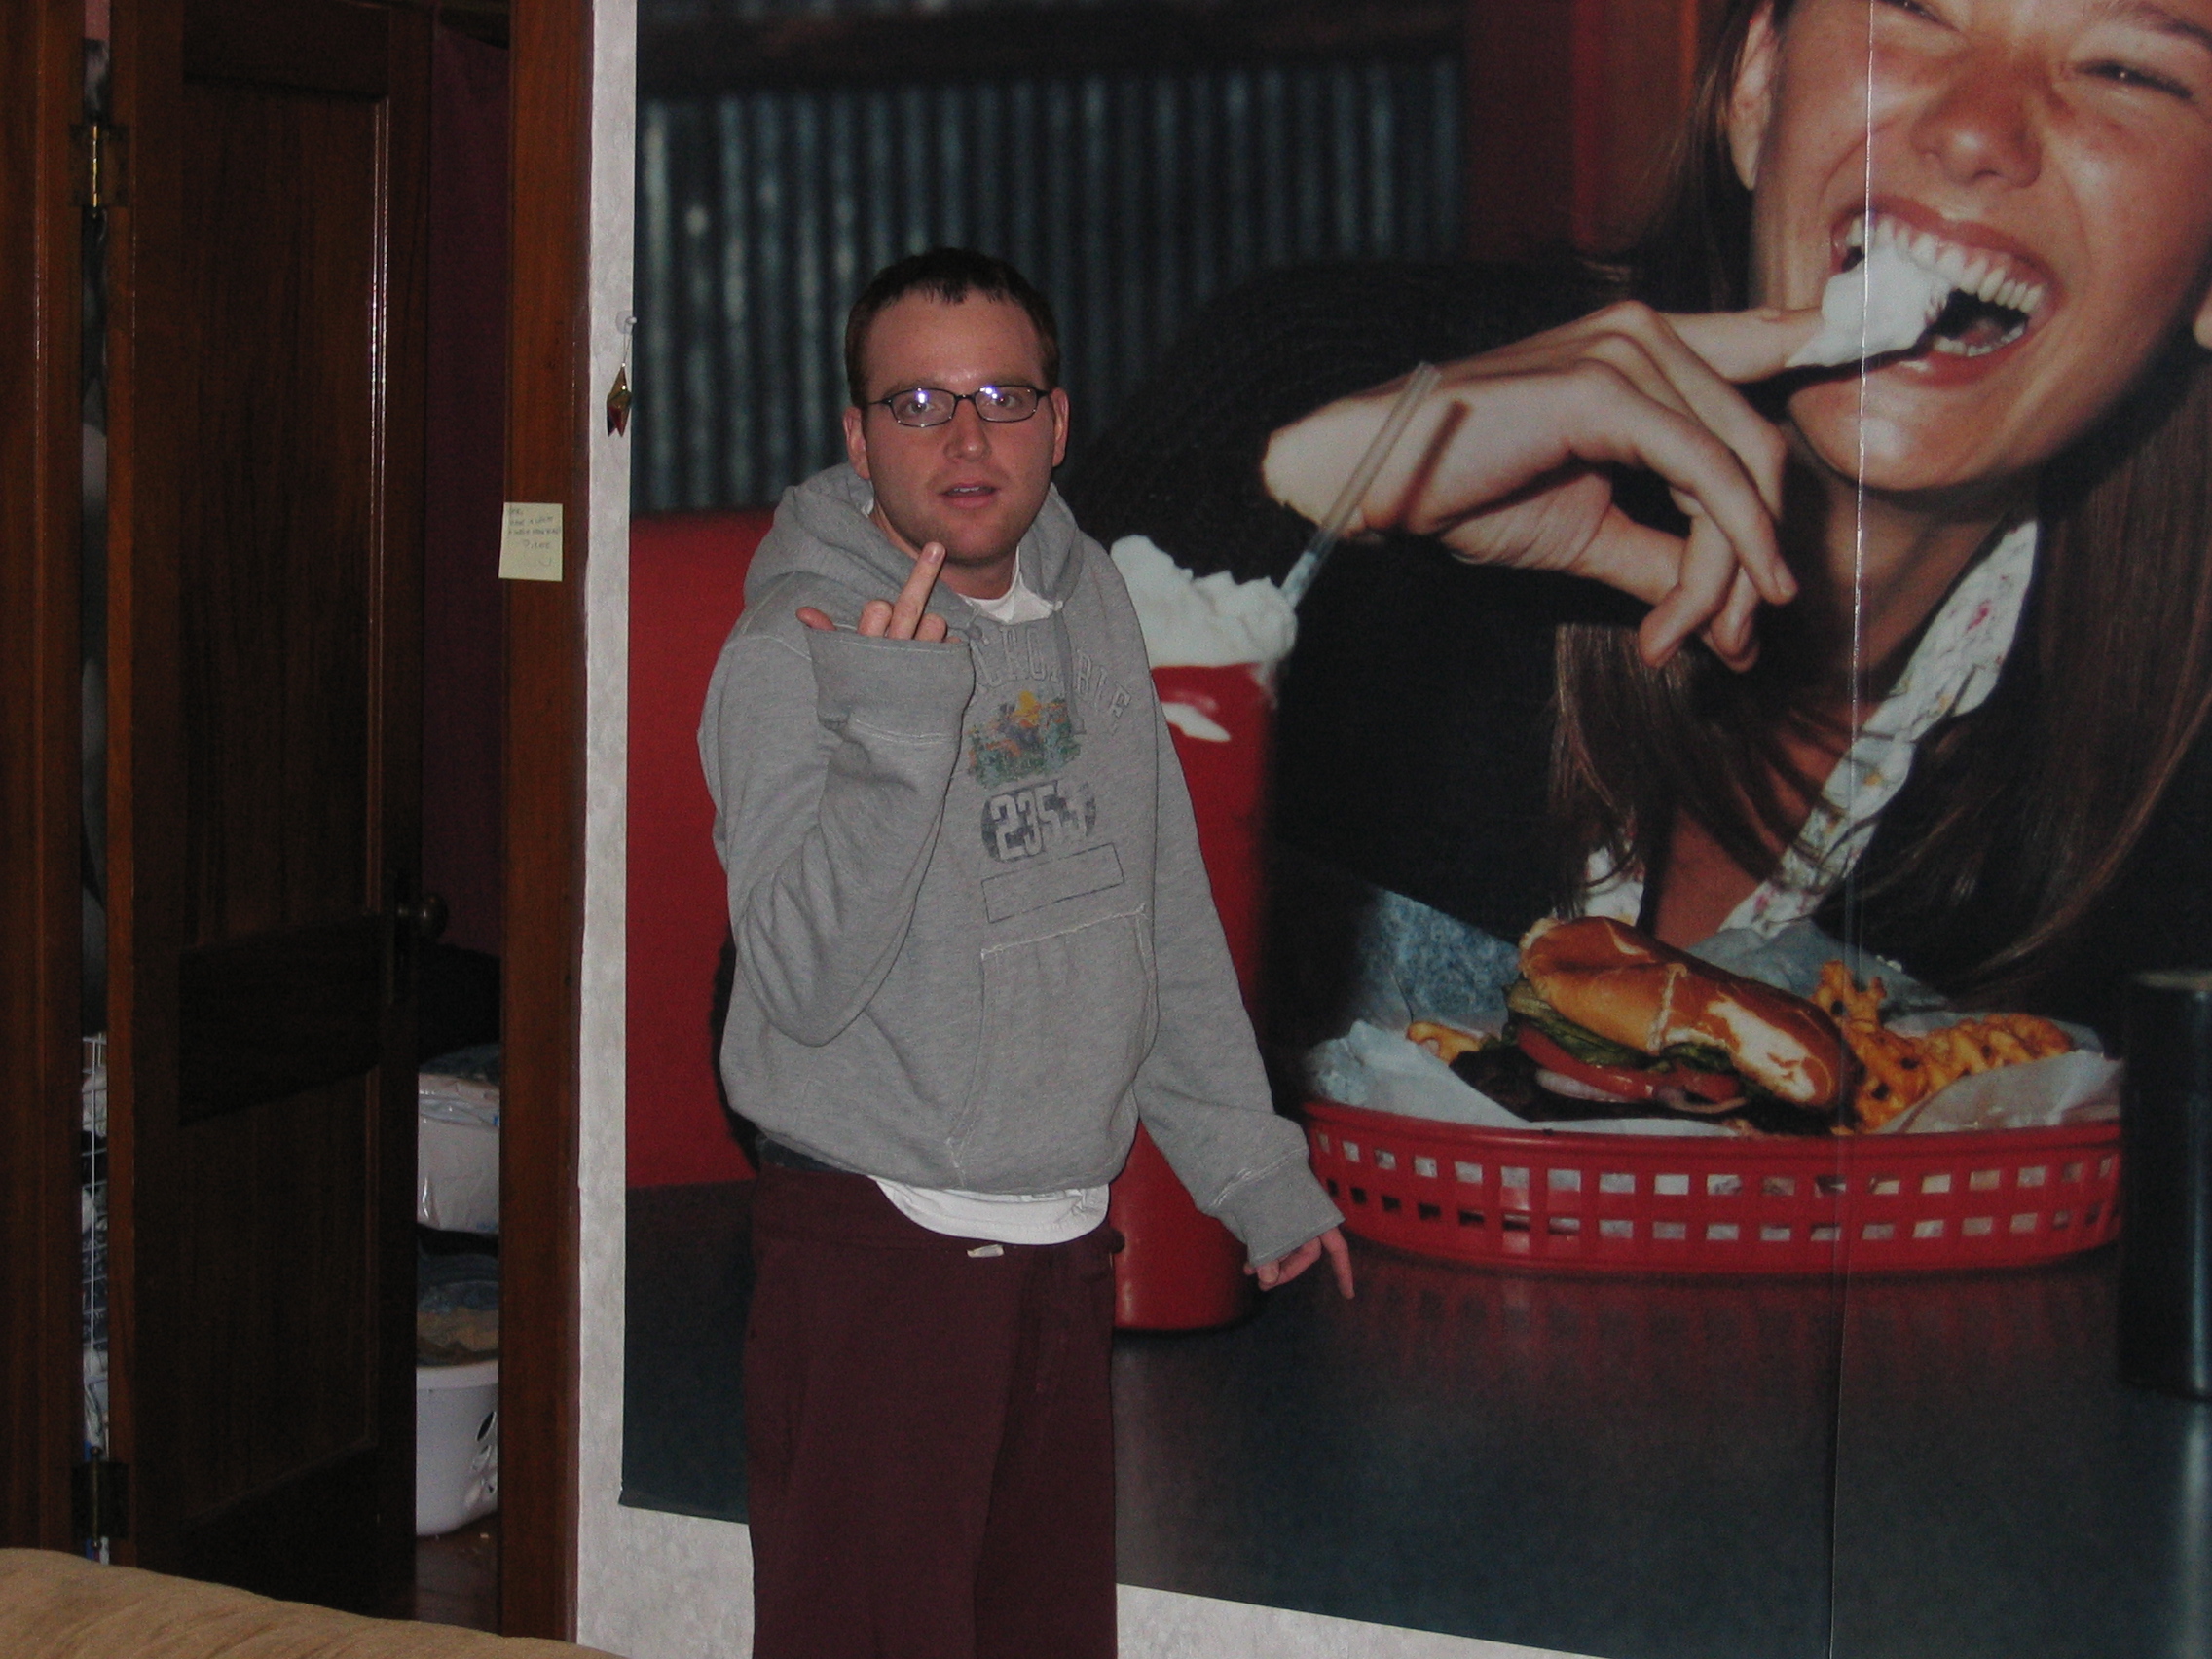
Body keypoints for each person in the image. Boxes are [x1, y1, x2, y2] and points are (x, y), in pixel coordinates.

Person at [1065, 0, 2212, 1053]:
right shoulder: (1312, 382)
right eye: (1910, 10)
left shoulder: (2181, 807)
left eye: (2125, 71)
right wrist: (1299, 506)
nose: (1975, 132)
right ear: (1756, 91)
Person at [699, 247, 1352, 1659]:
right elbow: (797, 980)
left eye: (1000, 397)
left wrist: (1250, 1169)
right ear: (856, 436)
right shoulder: (793, 645)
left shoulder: (1089, 599)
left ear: (1058, 421)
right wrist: (895, 725)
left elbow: (1155, 903)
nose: (965, 438)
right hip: (878, 1249)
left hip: (1058, 1242)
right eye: (917, 404)